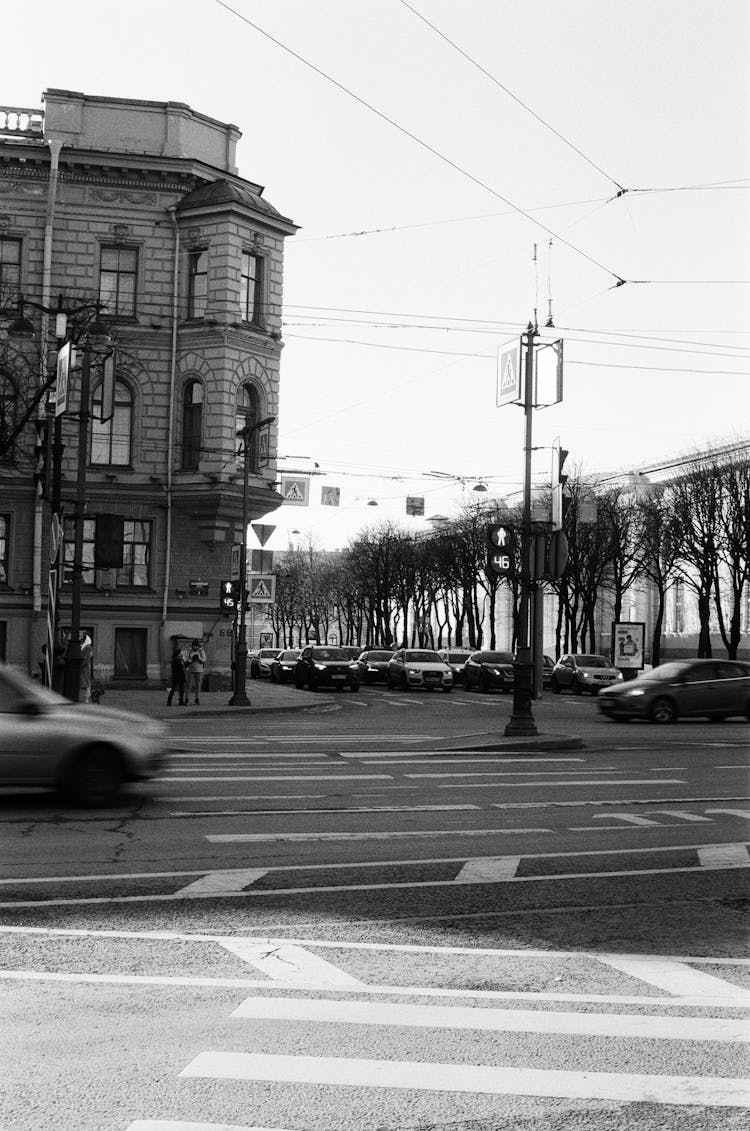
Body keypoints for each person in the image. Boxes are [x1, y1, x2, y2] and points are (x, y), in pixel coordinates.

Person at [186, 638, 206, 704]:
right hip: (191, 670)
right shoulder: (190, 651)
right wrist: (191, 660)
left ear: (198, 646)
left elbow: (204, 660)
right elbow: (187, 660)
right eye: (194, 645)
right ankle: (187, 699)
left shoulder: (201, 651)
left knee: (198, 685)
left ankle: (197, 698)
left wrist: (198, 658)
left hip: (199, 670)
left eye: (196, 645)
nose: (195, 647)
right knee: (189, 685)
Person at [79, 634, 93, 704]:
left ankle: (86, 699)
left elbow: (86, 658)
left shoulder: (88, 647)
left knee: (86, 683)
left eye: (82, 640)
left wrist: (80, 665)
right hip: (82, 667)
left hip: (84, 667)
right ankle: (84, 698)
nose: (81, 641)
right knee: (82, 682)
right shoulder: (83, 647)